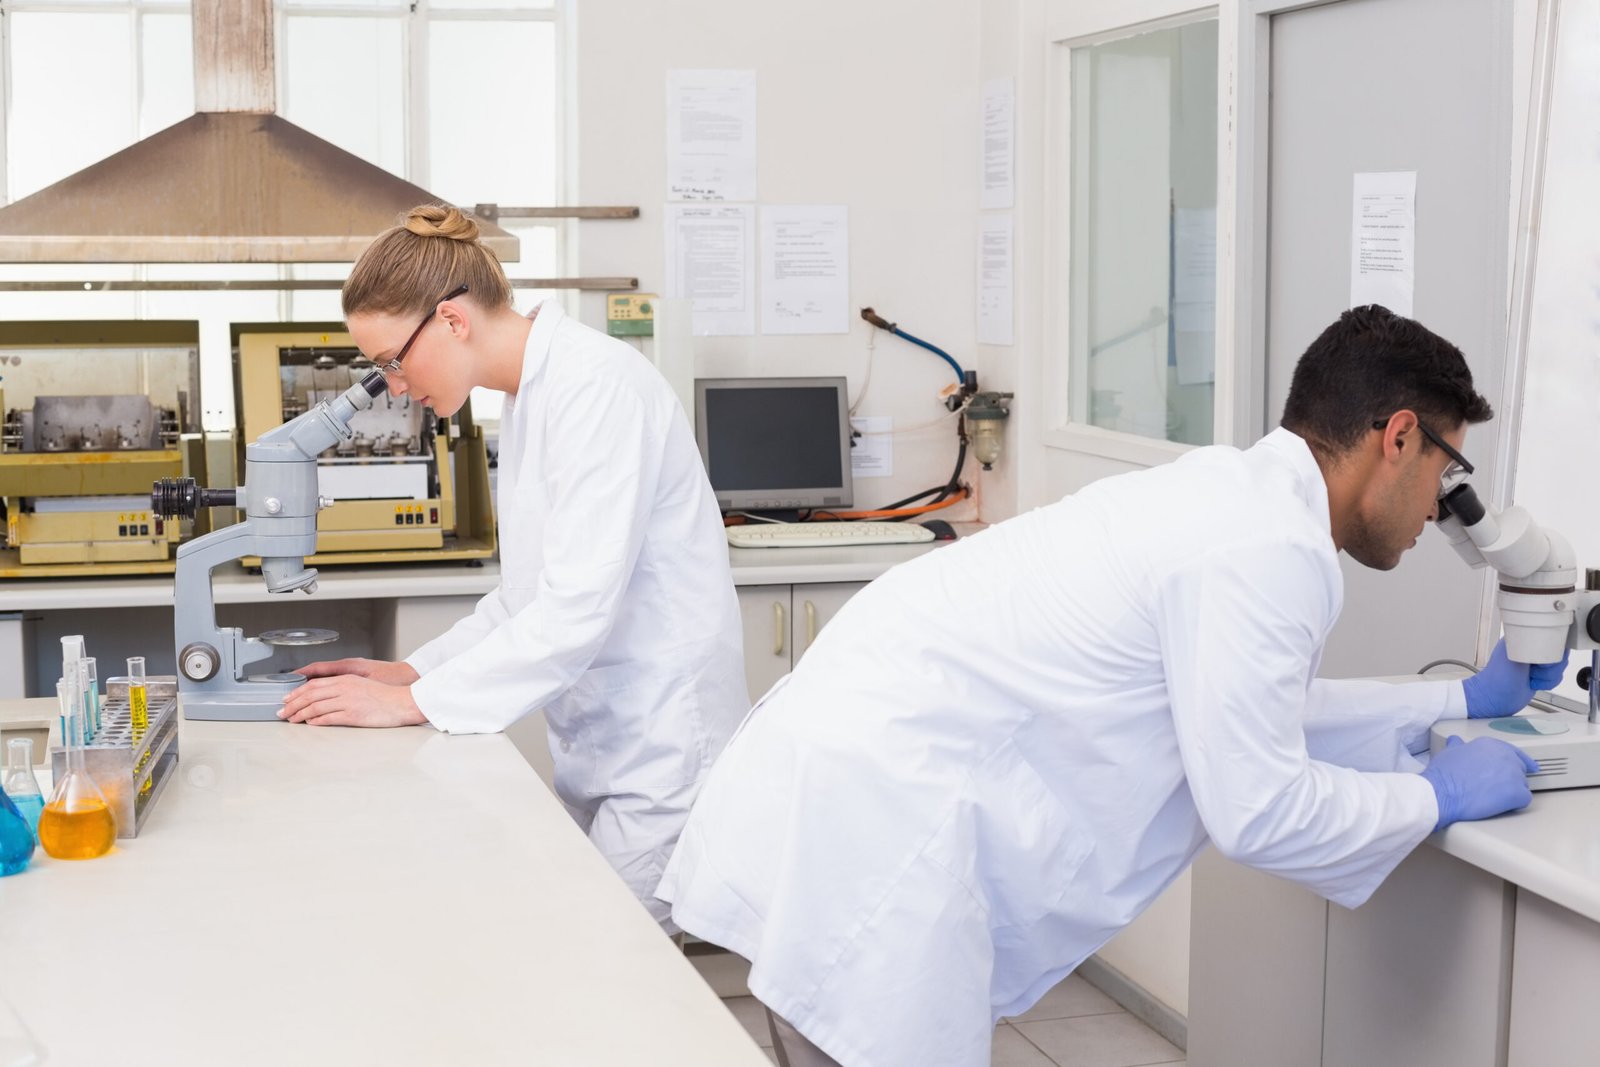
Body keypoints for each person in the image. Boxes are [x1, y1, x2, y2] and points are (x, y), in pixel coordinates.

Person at [657, 305, 1567, 1066]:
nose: (1434, 508)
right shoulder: (1267, 550)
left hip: (838, 799)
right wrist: (1430, 797)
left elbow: (1252, 714)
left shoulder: (1234, 497)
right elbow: (1260, 807)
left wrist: (1457, 701)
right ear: (1399, 436)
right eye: (1447, 472)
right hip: (878, 851)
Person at [280, 204, 748, 931]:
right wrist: (413, 672)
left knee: (614, 973)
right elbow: (526, 598)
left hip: (659, 755)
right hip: (602, 744)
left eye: (392, 363)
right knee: (593, 969)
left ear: (453, 320)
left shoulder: (598, 389)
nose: (395, 388)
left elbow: (573, 612)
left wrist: (416, 705)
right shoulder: (532, 396)